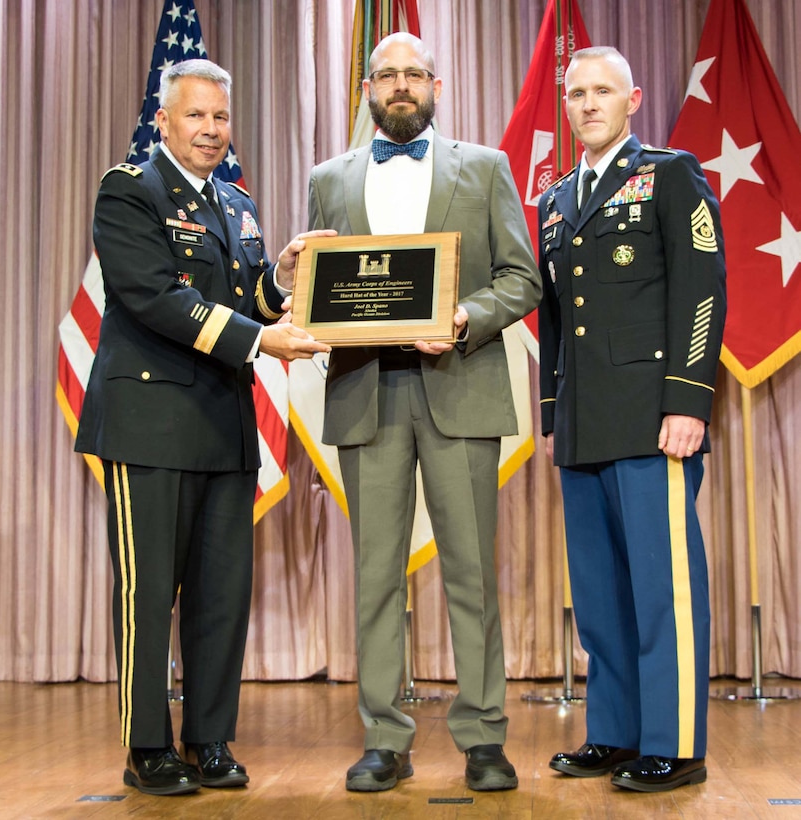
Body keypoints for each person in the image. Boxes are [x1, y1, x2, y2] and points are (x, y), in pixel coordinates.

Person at [75, 59, 332, 796]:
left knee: (223, 594)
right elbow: (153, 296)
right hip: (148, 425)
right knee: (148, 592)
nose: (211, 131)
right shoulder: (128, 190)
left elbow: (242, 296)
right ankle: (147, 746)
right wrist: (261, 340)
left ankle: (209, 739)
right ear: (163, 120)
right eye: (196, 116)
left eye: (220, 118)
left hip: (223, 421)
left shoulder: (237, 205)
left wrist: (279, 278)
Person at [307, 32, 542, 793]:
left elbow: (521, 278)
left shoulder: (485, 167)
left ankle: (482, 738)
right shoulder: (327, 179)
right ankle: (385, 737)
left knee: (471, 573)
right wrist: (295, 279)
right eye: (386, 75)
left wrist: (464, 318)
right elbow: (320, 290)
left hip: (460, 386)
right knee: (375, 574)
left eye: (413, 74)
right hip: (364, 392)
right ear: (368, 89)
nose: (400, 85)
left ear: (436, 84)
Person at [537, 47, 726, 793]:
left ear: (633, 99)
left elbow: (702, 291)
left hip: (653, 417)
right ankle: (613, 731)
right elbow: (555, 319)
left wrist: (687, 400)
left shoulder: (670, 173)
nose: (587, 104)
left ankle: (675, 742)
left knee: (660, 587)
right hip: (583, 422)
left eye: (602, 91)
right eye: (576, 93)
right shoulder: (555, 200)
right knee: (601, 593)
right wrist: (553, 411)